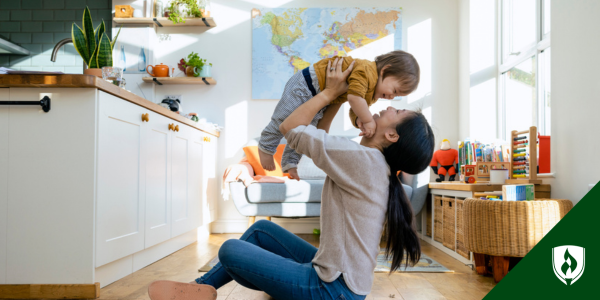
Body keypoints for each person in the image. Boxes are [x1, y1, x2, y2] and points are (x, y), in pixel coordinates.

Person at [148, 58, 435, 300]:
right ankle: (202, 290)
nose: (386, 107)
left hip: (331, 289)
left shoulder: (362, 160)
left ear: (391, 136)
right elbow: (320, 131)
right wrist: (336, 96)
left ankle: (203, 289)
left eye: (395, 111)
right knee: (261, 231)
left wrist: (329, 91)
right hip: (342, 284)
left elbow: (289, 127)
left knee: (229, 249)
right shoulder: (372, 164)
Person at [258, 51, 420, 180]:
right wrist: (367, 119)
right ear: (385, 70)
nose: (391, 99)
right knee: (283, 117)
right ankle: (266, 146)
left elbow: (354, 107)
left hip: (323, 95)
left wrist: (359, 120)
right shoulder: (367, 71)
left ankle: (289, 162)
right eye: (395, 91)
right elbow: (354, 98)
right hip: (307, 84)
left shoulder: (371, 94)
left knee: (307, 129)